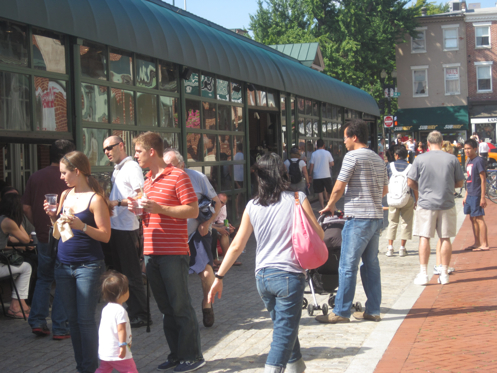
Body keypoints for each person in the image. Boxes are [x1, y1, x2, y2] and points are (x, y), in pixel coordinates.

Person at [209, 153, 323, 373]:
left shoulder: (252, 205)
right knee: (283, 332)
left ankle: (297, 365)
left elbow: (236, 246)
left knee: (284, 327)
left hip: (262, 278)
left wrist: (219, 277)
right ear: (282, 173)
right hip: (289, 275)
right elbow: (318, 233)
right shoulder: (298, 198)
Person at [128, 132, 205, 372]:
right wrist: (138, 211)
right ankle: (176, 354)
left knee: (180, 305)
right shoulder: (147, 181)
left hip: (173, 251)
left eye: (138, 151)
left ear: (152, 151)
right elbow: (151, 216)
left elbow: (192, 211)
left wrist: (160, 207)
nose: (135, 156)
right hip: (152, 252)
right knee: (165, 308)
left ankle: (192, 356)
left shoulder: (178, 176)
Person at [46, 151, 113, 373]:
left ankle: (91, 368)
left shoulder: (96, 199)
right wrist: (52, 216)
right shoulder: (65, 195)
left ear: (77, 171)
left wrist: (82, 226)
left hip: (89, 266)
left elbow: (105, 236)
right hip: (63, 265)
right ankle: (82, 367)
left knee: (85, 321)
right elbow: (60, 229)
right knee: (72, 322)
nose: (61, 177)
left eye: (65, 172)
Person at [317, 119, 388, 324]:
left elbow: (339, 186)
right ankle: (373, 310)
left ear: (354, 137)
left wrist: (330, 205)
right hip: (375, 217)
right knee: (371, 265)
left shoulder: (352, 157)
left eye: (345, 137)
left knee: (347, 265)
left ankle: (341, 311)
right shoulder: (377, 158)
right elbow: (384, 190)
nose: (344, 141)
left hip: (358, 217)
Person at [163, 148, 222, 328]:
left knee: (205, 273)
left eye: (172, 166)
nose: (168, 170)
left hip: (198, 233)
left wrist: (208, 223)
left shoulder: (197, 178)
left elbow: (217, 203)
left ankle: (207, 302)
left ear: (182, 164)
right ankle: (181, 314)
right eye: (165, 166)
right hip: (174, 236)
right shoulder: (161, 181)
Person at [24, 139, 74, 339]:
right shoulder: (72, 176)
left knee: (44, 278)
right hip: (66, 236)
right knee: (63, 279)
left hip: (44, 235)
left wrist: (37, 223)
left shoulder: (36, 177)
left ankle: (37, 320)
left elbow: (26, 207)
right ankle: (60, 326)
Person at [102, 135, 149, 329]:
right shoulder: (118, 169)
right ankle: (127, 310)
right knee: (119, 273)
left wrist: (117, 203)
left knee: (131, 274)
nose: (106, 152)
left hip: (126, 228)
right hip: (115, 227)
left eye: (110, 147)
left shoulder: (132, 168)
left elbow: (141, 197)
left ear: (121, 146)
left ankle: (142, 314)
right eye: (104, 149)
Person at [407, 131, 464, 286]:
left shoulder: (420, 159)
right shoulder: (452, 159)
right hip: (446, 202)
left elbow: (410, 182)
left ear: (427, 142)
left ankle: (424, 273)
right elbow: (460, 183)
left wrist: (422, 189)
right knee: (445, 237)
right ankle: (444, 273)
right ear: (442, 141)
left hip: (426, 203)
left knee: (424, 237)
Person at [96, 271, 138, 373]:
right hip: (117, 351)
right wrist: (123, 345)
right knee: (130, 369)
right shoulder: (120, 310)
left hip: (106, 351)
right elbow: (121, 329)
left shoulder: (106, 308)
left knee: (103, 369)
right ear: (122, 293)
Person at [0, 193, 33, 319]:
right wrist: (17, 220)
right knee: (26, 267)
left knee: (19, 265)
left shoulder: (1, 219)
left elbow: (8, 238)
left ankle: (20, 303)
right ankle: (15, 306)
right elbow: (25, 239)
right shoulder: (8, 221)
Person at [385, 146, 418, 257]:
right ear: (406, 156)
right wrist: (416, 201)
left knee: (392, 222)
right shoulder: (411, 167)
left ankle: (390, 247)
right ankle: (402, 248)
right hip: (406, 197)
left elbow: (386, 182)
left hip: (393, 198)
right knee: (406, 222)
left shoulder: (389, 166)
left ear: (397, 155)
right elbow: (414, 185)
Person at [463, 139, 489, 251]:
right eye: (465, 148)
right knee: (472, 218)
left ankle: (484, 244)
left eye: (469, 148)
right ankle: (476, 242)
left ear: (475, 149)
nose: (466, 151)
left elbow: (483, 179)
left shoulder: (478, 161)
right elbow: (469, 179)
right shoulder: (469, 161)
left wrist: (483, 197)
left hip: (477, 193)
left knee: (479, 218)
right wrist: (465, 195)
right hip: (470, 193)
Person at [309, 139, 334, 209]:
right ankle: (329, 204)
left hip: (317, 176)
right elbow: (332, 163)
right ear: (323, 145)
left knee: (320, 192)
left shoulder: (314, 154)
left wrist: (310, 174)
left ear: (316, 146)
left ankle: (322, 207)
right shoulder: (327, 153)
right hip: (326, 175)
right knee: (329, 190)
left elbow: (311, 165)